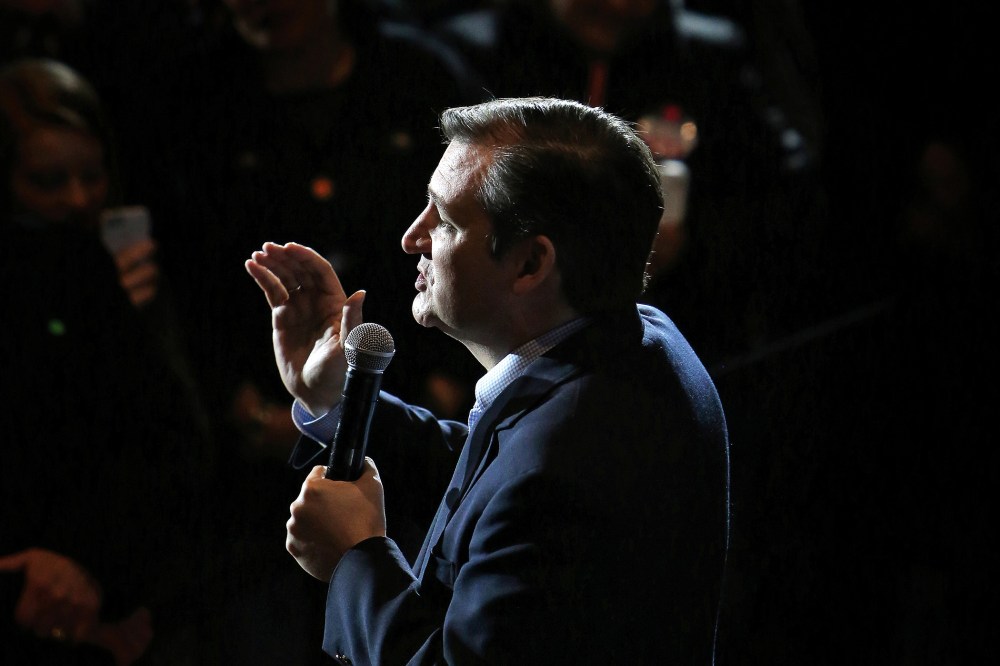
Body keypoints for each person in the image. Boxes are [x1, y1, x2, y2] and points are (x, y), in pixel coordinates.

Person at [246, 97, 731, 664]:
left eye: (444, 218)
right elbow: (491, 470)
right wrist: (335, 401)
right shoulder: (636, 342)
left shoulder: (567, 463)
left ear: (530, 264)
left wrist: (355, 558)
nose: (412, 237)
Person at [0, 57, 214, 665]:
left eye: (92, 176)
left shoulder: (120, 268)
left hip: (124, 591)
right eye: (47, 180)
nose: (77, 200)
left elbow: (170, 445)